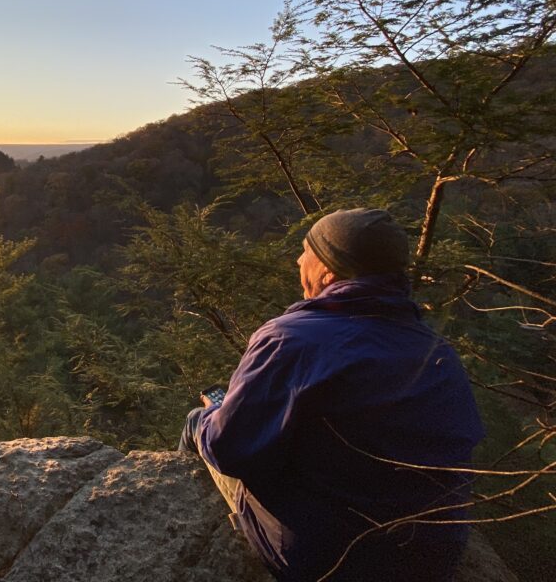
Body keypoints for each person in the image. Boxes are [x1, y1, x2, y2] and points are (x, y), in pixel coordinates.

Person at [179, 208, 484, 582]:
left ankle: (180, 518)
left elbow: (229, 449)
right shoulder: (437, 350)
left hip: (330, 562)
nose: (297, 259)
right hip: (431, 560)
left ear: (329, 270)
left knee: (201, 424)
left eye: (306, 250)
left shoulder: (291, 338)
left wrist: (216, 414)